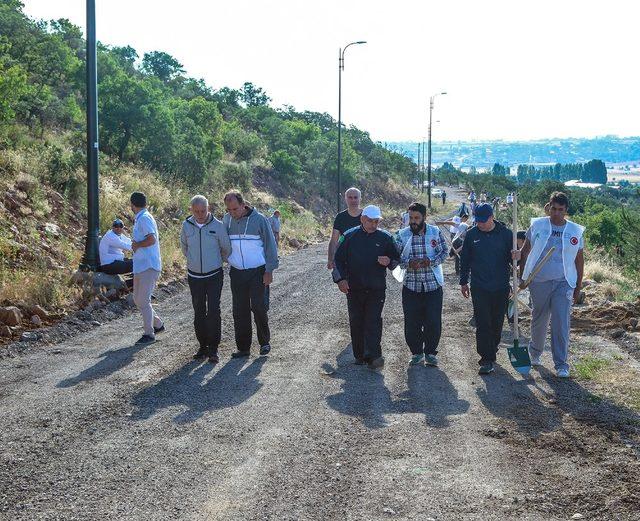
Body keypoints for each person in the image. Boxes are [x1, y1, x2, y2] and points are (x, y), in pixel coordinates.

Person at [516, 192, 585, 378]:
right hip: (538, 280)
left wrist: (578, 287)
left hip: (564, 282)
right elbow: (525, 251)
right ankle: (535, 353)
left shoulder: (575, 231)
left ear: (566, 210)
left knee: (561, 322)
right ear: (549, 206)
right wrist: (522, 276)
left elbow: (579, 261)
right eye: (554, 208)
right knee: (539, 317)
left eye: (560, 210)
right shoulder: (538, 225)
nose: (556, 213)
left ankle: (561, 364)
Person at [334, 205, 400, 369]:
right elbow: (337, 260)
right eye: (370, 221)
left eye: (376, 221)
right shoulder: (349, 236)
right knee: (356, 320)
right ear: (362, 219)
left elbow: (397, 260)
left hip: (376, 288)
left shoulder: (385, 237)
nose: (373, 224)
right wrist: (340, 280)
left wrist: (389, 262)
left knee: (373, 321)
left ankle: (374, 356)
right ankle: (360, 355)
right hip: (353, 288)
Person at [459, 203, 517, 374]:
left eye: (483, 221)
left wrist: (517, 256)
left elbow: (514, 261)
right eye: (478, 221)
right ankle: (486, 359)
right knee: (483, 322)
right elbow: (465, 260)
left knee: (497, 322)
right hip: (479, 286)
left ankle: (492, 348)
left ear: (492, 217)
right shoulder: (471, 235)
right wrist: (463, 282)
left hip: (500, 287)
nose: (480, 224)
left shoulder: (507, 235)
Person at [223, 191, 279, 358]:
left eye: (235, 209)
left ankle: (264, 343)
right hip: (237, 272)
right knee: (239, 310)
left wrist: (269, 270)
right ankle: (243, 348)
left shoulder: (260, 220)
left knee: (259, 306)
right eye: (229, 210)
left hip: (258, 272)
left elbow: (271, 245)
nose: (232, 213)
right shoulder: (227, 220)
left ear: (243, 204)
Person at [395, 202, 448, 366]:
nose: (413, 221)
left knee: (433, 321)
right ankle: (416, 353)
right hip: (411, 286)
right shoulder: (401, 235)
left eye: (417, 218)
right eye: (411, 217)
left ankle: (431, 353)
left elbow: (444, 252)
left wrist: (430, 261)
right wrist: (409, 264)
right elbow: (394, 258)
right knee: (412, 322)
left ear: (424, 217)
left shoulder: (435, 232)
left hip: (433, 286)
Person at [180, 195, 231, 364]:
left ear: (208, 208)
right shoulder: (186, 226)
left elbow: (226, 249)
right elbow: (184, 248)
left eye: (203, 210)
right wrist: (194, 261)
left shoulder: (218, 226)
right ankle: (202, 347)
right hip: (194, 277)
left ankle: (214, 349)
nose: (200, 214)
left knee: (214, 311)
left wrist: (214, 261)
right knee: (198, 311)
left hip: (214, 275)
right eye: (196, 211)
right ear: (191, 210)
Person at [130, 192, 165, 345]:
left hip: (148, 265)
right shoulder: (142, 218)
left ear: (132, 204)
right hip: (142, 265)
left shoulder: (144, 218)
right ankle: (157, 324)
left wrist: (137, 245)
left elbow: (151, 239)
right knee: (138, 299)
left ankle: (149, 334)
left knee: (143, 300)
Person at [327, 187, 363, 269]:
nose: (353, 200)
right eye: (350, 197)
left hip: (364, 257)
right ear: (345, 199)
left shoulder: (367, 216)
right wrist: (330, 259)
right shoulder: (340, 217)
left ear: (360, 199)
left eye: (355, 197)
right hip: (345, 258)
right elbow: (334, 240)